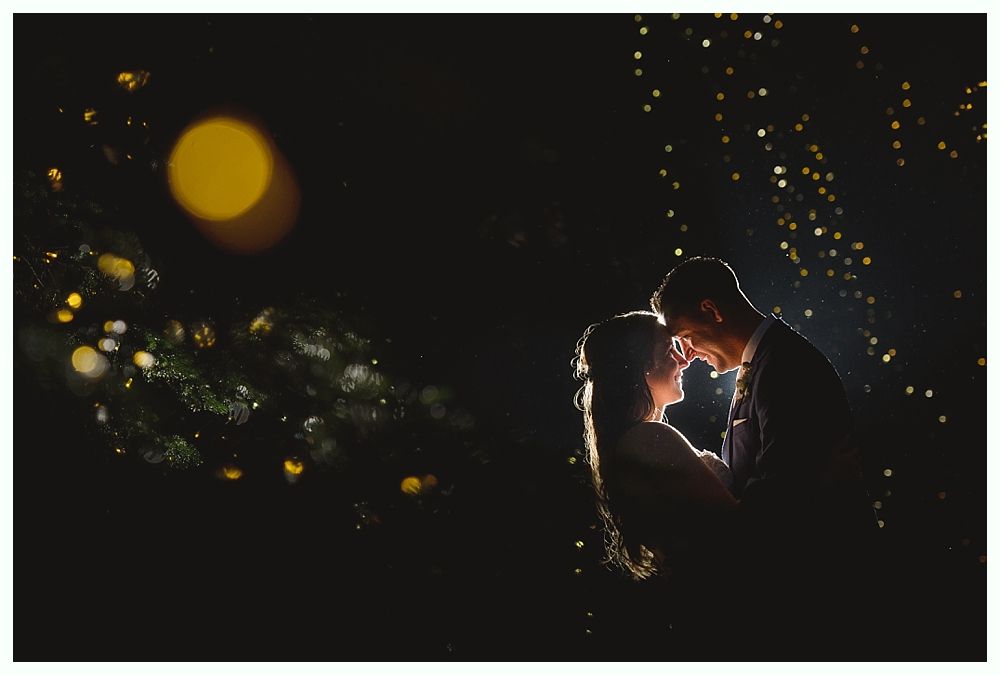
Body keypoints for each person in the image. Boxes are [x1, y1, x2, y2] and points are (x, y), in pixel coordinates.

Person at [650, 256, 877, 657]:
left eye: (684, 335)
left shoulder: (787, 365)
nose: (685, 354)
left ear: (711, 310)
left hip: (818, 591)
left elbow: (779, 495)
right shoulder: (765, 362)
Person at [573, 311, 738, 653]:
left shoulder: (635, 440)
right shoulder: (650, 439)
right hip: (724, 605)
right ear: (637, 369)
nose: (682, 359)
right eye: (668, 351)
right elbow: (738, 526)